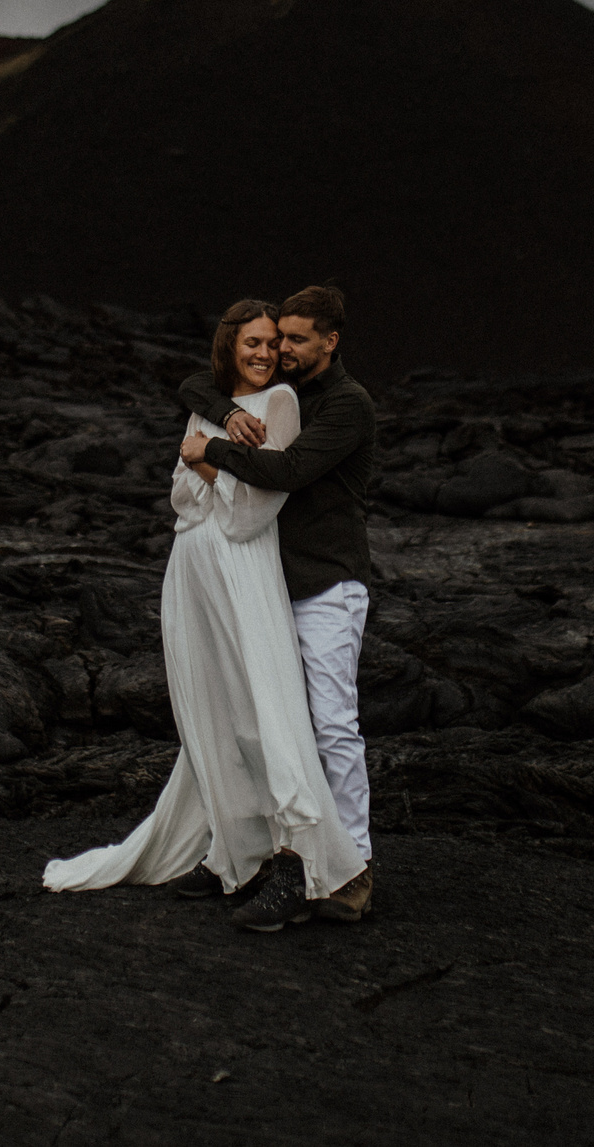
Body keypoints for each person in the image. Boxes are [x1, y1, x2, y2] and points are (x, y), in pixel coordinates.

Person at [42, 299, 361, 932]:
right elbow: (182, 499)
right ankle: (235, 852)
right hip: (192, 566)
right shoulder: (211, 401)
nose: (266, 352)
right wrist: (208, 459)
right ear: (230, 346)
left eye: (274, 342)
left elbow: (251, 511)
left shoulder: (281, 405)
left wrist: (207, 457)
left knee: (263, 707)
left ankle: (308, 861)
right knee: (209, 706)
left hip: (242, 568)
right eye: (254, 342)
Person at [175, 284, 377, 923]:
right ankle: (262, 852)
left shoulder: (347, 405)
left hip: (326, 585)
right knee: (265, 721)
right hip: (267, 586)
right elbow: (199, 384)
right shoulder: (283, 391)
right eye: (276, 337)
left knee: (331, 724)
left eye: (295, 338)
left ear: (330, 340)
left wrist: (211, 450)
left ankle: (353, 869)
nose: (283, 349)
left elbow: (286, 472)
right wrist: (218, 407)